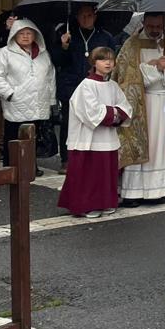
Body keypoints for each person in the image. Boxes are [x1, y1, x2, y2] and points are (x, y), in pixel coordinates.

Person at [116, 12, 165, 205]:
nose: (155, 30)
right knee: (142, 146)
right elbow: (125, 75)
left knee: (163, 148)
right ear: (144, 23)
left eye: (158, 26)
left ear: (164, 24)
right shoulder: (132, 44)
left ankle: (160, 190)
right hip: (143, 103)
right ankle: (133, 192)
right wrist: (153, 68)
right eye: (151, 26)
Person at [57, 47, 130, 218]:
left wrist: (116, 113)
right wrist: (115, 113)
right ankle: (87, 204)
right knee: (90, 173)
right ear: (93, 62)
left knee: (106, 172)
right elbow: (90, 112)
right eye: (103, 59)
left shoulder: (113, 85)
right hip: (88, 138)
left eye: (111, 60)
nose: (108, 63)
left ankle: (106, 202)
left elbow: (125, 106)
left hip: (107, 137)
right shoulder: (86, 85)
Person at [49, 4, 116, 172]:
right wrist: (63, 46)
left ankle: (91, 157)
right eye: (83, 15)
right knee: (70, 123)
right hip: (71, 85)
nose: (87, 18)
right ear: (77, 17)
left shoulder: (105, 37)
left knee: (94, 121)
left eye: (90, 15)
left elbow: (112, 59)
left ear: (95, 16)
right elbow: (57, 61)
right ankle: (67, 159)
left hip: (96, 86)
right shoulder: (67, 34)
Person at [0, 19, 55, 167]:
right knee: (13, 136)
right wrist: (10, 94)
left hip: (39, 102)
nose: (25, 36)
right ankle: (11, 165)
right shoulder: (5, 53)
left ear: (35, 35)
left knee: (33, 136)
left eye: (29, 33)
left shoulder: (43, 54)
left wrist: (51, 100)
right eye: (21, 33)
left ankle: (30, 165)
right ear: (14, 35)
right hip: (16, 102)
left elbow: (51, 77)